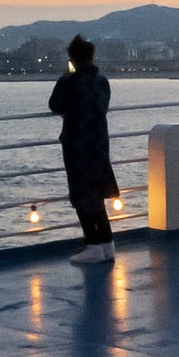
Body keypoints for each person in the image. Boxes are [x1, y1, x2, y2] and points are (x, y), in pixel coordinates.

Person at [50, 37, 118, 262]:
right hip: (99, 142)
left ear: (73, 59)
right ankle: (107, 243)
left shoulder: (70, 82)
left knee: (81, 195)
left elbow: (55, 105)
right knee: (96, 194)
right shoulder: (102, 81)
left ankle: (93, 245)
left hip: (77, 144)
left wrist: (64, 77)